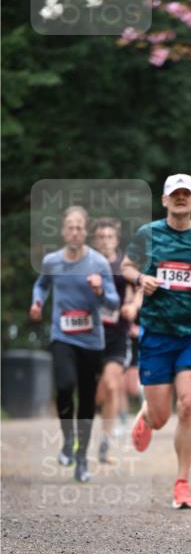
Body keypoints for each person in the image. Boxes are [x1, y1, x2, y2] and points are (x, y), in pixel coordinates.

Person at [120, 174, 191, 509]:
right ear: (165, 200)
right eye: (174, 194)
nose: (181, 199)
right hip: (156, 333)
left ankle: (182, 483)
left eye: (186, 194)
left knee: (188, 405)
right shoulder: (147, 234)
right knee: (161, 416)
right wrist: (141, 279)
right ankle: (147, 417)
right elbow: (126, 266)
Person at [30, 206, 119, 482]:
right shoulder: (52, 261)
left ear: (86, 232)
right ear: (63, 231)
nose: (75, 231)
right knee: (66, 386)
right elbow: (41, 285)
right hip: (63, 336)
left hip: (91, 341)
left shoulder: (99, 264)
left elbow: (113, 303)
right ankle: (68, 442)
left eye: (80, 227)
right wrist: (37, 302)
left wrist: (100, 290)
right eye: (70, 226)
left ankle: (81, 461)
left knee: (87, 401)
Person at [91, 217, 139, 461]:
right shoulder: (85, 262)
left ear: (117, 240)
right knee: (94, 393)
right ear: (94, 240)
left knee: (111, 386)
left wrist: (132, 306)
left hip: (117, 334)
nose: (105, 241)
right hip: (86, 335)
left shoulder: (124, 264)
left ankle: (105, 443)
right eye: (101, 237)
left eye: (109, 237)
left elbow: (137, 287)